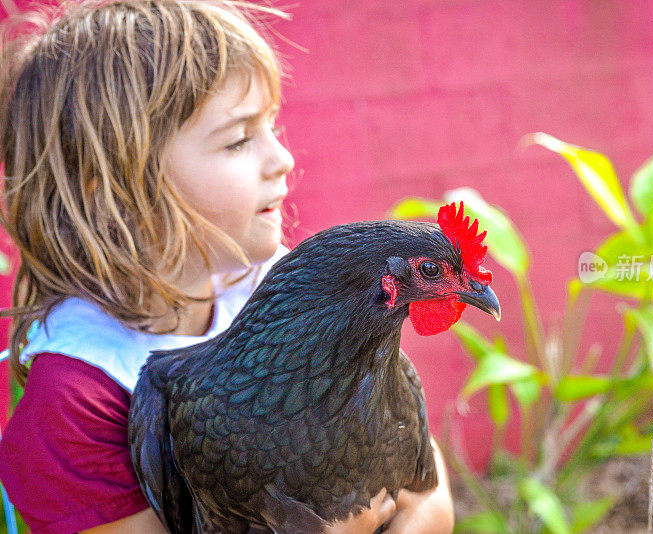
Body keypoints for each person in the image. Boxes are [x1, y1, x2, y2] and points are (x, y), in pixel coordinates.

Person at [0, 1, 455, 532]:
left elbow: (428, 489)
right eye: (239, 138)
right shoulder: (78, 399)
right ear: (116, 195)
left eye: (271, 127)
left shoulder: (295, 301)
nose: (282, 158)